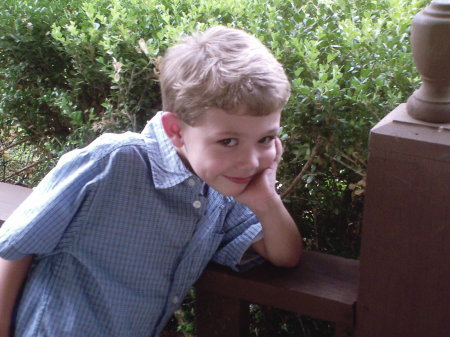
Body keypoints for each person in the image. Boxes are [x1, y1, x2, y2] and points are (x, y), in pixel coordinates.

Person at [0, 26, 302, 337]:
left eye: (266, 139)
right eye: (228, 141)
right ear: (176, 130)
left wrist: (266, 202)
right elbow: (15, 246)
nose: (251, 161)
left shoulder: (224, 192)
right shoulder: (112, 162)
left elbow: (284, 255)